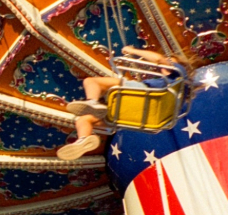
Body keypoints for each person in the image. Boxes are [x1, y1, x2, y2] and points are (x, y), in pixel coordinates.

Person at [57, 45, 189, 160]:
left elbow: (159, 59)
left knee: (90, 81)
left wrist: (133, 50)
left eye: (171, 61)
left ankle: (92, 102)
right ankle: (83, 140)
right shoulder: (174, 89)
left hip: (142, 94)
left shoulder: (178, 73)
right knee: (83, 120)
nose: (165, 64)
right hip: (141, 114)